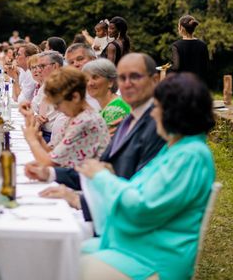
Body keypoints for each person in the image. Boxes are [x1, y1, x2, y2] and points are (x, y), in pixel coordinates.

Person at [78, 73, 216, 280]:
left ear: (175, 112)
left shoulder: (191, 156)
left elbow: (142, 206)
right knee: (69, 248)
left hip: (155, 259)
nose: (153, 115)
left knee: (69, 263)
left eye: (157, 107)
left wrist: (102, 178)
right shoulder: (176, 148)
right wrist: (111, 176)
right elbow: (142, 192)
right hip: (139, 246)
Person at [26, 53, 166, 221]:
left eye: (135, 76)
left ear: (155, 80)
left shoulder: (157, 127)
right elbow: (102, 170)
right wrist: (50, 174)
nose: (127, 84)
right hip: (100, 205)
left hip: (119, 223)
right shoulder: (129, 119)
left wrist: (79, 200)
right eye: (122, 77)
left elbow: (139, 193)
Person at [20, 67, 109, 168]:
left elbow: (49, 163)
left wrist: (32, 140)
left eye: (58, 104)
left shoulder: (86, 121)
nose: (57, 109)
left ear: (75, 97)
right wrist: (34, 131)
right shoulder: (73, 118)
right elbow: (52, 151)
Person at [26, 51, 67, 144]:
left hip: (55, 137)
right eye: (37, 67)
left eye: (42, 66)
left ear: (55, 66)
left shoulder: (65, 85)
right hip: (42, 132)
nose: (39, 70)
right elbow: (34, 106)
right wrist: (36, 116)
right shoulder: (46, 83)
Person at [82, 59, 131, 133]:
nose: (90, 83)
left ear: (110, 82)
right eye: (86, 80)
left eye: (95, 78)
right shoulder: (111, 105)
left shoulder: (114, 110)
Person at [168, 14, 209, 82]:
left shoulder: (176, 45)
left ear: (181, 28)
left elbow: (176, 67)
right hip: (199, 84)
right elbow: (206, 68)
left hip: (183, 85)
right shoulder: (203, 45)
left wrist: (166, 70)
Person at [64, 43, 100, 110]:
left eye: (80, 59)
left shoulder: (108, 84)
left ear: (94, 59)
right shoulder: (70, 90)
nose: (76, 65)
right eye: (71, 62)